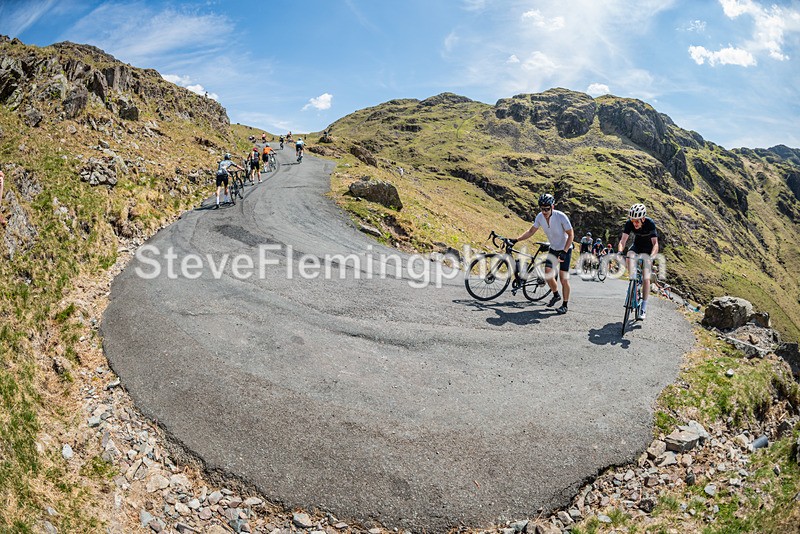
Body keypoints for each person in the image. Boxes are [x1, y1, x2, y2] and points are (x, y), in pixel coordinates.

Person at [512, 193, 574, 314]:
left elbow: (571, 235)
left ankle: (565, 305)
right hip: (553, 248)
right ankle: (556, 295)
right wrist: (516, 240)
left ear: (552, 207)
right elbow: (531, 231)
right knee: (547, 274)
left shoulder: (561, 216)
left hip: (565, 248)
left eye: (547, 208)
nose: (544, 211)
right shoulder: (540, 217)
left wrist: (565, 252)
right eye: (542, 208)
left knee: (563, 279)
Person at [617, 203, 659, 320]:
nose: (634, 223)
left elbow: (655, 244)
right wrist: (620, 252)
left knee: (646, 278)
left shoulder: (650, 223)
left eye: (637, 221)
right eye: (633, 220)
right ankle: (633, 283)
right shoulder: (629, 224)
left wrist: (652, 257)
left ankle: (643, 307)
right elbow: (623, 240)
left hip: (648, 249)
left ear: (643, 219)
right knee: (629, 255)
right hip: (637, 246)